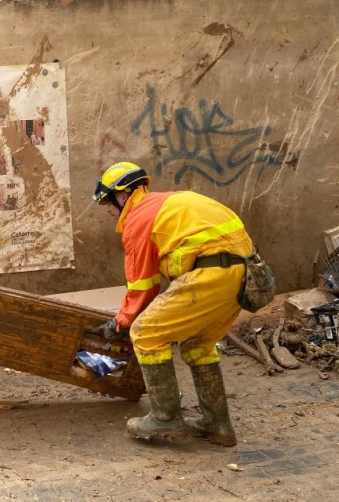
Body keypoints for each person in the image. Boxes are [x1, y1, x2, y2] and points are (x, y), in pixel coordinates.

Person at [91, 161, 253, 447]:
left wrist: (121, 322)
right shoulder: (166, 204)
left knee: (146, 332)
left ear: (123, 195)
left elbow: (143, 285)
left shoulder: (140, 217)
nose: (107, 209)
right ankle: (218, 424)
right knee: (197, 345)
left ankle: (166, 417)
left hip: (213, 273)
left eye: (107, 201)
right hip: (243, 276)